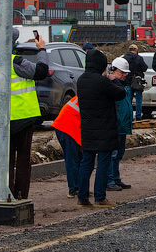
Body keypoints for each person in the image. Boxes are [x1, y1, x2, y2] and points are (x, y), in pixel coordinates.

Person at [0, 33, 51, 200]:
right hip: (22, 118)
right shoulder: (15, 61)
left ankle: (5, 194)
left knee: (5, 161)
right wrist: (41, 49)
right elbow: (41, 71)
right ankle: (20, 195)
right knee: (23, 160)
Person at [74, 48, 124, 207]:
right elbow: (121, 94)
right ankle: (100, 197)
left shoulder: (81, 80)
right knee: (103, 163)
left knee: (86, 163)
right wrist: (113, 79)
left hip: (88, 128)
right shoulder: (102, 81)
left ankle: (82, 198)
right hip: (105, 129)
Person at [105, 56, 135, 193]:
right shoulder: (113, 87)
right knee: (113, 154)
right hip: (116, 125)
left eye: (125, 73)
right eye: (122, 72)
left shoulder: (123, 87)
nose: (124, 75)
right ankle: (110, 180)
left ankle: (115, 179)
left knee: (118, 154)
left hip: (122, 126)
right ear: (113, 71)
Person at [53, 94, 84, 200]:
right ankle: (74, 189)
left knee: (78, 159)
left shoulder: (87, 93)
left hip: (69, 126)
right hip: (67, 127)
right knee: (73, 160)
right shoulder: (92, 96)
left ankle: (78, 188)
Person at [125, 43, 148, 120]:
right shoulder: (139, 58)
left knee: (129, 100)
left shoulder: (125, 58)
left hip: (128, 81)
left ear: (129, 50)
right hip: (138, 81)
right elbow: (145, 68)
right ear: (136, 50)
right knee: (138, 99)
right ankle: (138, 116)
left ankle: (129, 117)